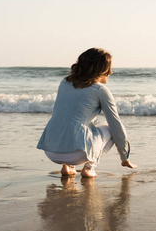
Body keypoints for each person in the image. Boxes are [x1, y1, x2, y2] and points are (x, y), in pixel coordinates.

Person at [37, 48, 137, 178]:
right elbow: (116, 125)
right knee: (110, 127)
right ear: (98, 69)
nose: (111, 72)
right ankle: (89, 168)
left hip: (50, 150)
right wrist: (124, 157)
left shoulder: (64, 82)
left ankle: (67, 167)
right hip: (76, 153)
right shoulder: (100, 90)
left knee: (84, 122)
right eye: (108, 68)